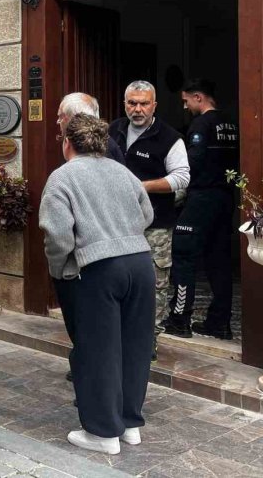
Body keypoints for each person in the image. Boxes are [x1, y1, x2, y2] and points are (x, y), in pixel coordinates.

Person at [40, 114, 155, 455]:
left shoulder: (62, 178)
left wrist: (60, 269)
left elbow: (58, 235)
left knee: (98, 349)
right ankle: (130, 423)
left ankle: (103, 433)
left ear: (67, 143)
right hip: (140, 262)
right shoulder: (123, 172)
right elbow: (146, 213)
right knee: (135, 345)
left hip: (97, 267)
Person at [108, 81, 189, 351]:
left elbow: (181, 178)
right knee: (116, 279)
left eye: (144, 103)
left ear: (154, 105)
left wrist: (142, 187)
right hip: (115, 224)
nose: (138, 109)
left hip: (155, 225)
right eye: (132, 103)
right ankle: (118, 337)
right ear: (125, 104)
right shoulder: (113, 130)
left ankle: (148, 341)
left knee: (154, 283)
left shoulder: (170, 137)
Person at [163, 79, 239, 339]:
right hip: (226, 198)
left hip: (201, 198)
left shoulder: (201, 124)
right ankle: (220, 323)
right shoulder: (231, 121)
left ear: (198, 97)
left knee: (183, 254)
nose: (185, 106)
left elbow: (191, 163)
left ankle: (180, 319)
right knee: (219, 260)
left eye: (186, 101)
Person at [56, 93, 122, 384]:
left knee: (90, 321)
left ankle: (93, 378)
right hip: (96, 251)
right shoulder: (98, 149)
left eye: (61, 116)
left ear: (72, 119)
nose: (57, 122)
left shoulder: (103, 153)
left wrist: (57, 265)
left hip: (90, 256)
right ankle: (85, 365)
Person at [58, 92, 124, 163]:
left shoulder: (101, 147)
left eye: (61, 117)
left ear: (75, 118)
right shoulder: (93, 141)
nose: (58, 121)